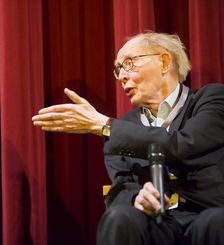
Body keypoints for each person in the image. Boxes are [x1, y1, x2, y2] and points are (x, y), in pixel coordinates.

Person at [32, 32, 224, 245]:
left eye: (129, 63)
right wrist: (137, 198)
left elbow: (183, 144)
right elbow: (121, 186)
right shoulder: (121, 128)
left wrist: (105, 125)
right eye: (118, 69)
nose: (122, 75)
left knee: (218, 221)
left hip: (206, 215)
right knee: (119, 218)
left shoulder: (211, 99)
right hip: (156, 224)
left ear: (164, 62)